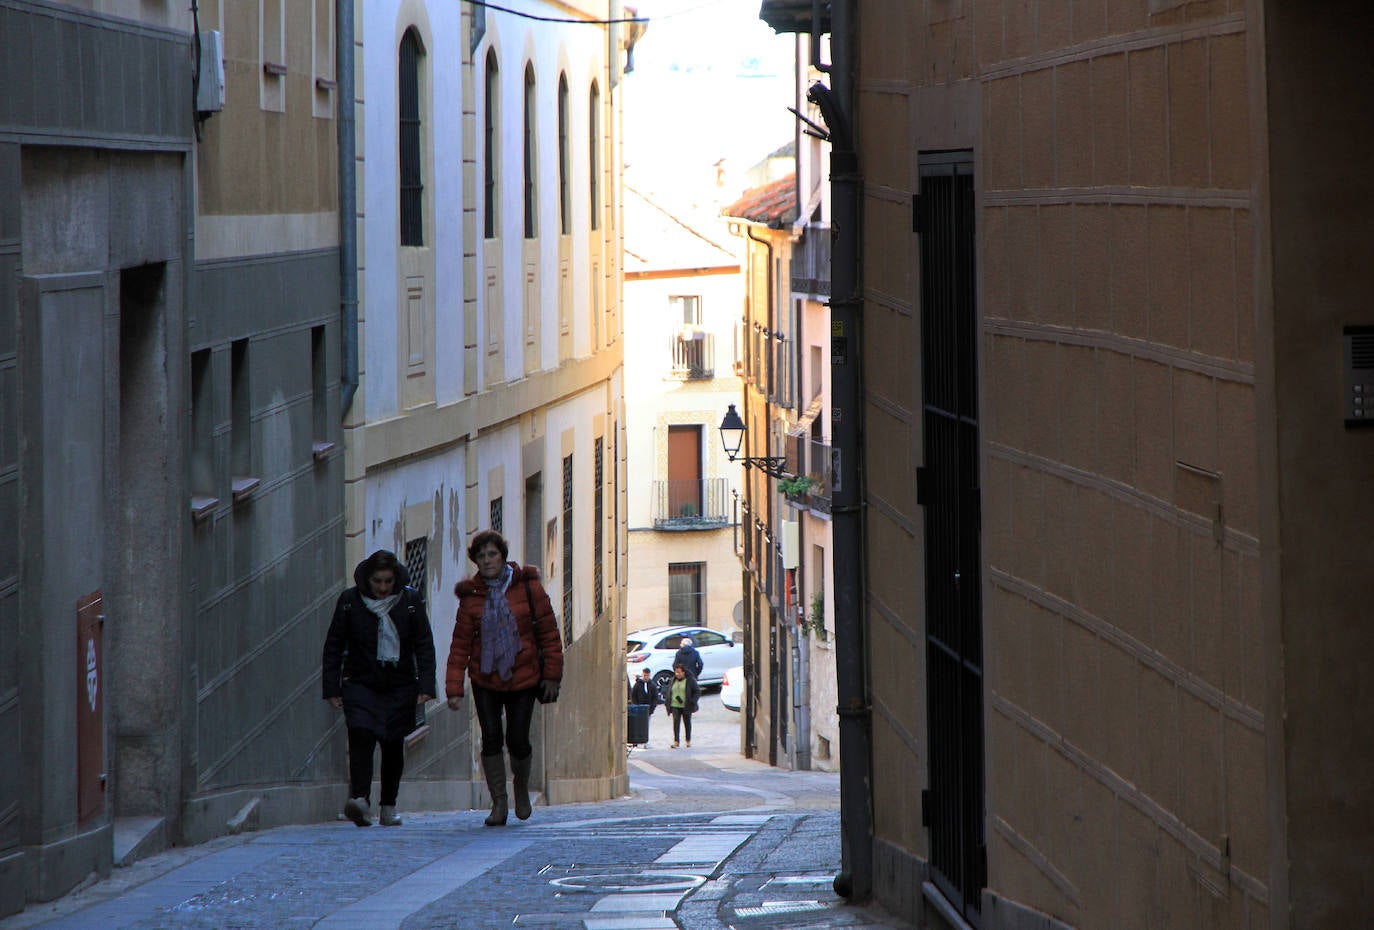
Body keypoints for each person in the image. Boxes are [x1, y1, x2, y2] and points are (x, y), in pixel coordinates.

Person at [446, 530, 563, 826]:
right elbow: (460, 643)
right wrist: (454, 688)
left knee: (518, 739)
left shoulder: (528, 588)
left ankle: (521, 786)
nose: (487, 560)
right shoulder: (471, 597)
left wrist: (551, 675)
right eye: (482, 556)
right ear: (476, 560)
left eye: (492, 554)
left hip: (523, 676)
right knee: (491, 738)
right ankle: (499, 802)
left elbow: (549, 633)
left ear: (503, 556)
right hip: (485, 678)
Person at [322, 550, 436, 828]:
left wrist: (426, 685)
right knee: (360, 735)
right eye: (377, 582)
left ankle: (388, 805)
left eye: (387, 581)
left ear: (395, 579)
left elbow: (423, 643)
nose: (383, 588)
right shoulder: (350, 602)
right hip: (361, 682)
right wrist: (332, 687)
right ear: (367, 580)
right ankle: (360, 799)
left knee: (392, 743)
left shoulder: (409, 601)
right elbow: (334, 645)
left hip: (399, 683)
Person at [667, 663, 700, 749]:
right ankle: (676, 741)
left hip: (686, 705)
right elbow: (669, 691)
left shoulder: (690, 680)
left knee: (687, 723)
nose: (677, 674)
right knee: (676, 722)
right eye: (676, 672)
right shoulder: (672, 680)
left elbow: (697, 691)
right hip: (675, 705)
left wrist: (693, 701)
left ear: (683, 672)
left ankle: (688, 740)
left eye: (679, 672)